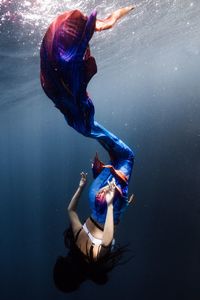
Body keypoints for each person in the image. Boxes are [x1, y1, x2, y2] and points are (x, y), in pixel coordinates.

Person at [40, 5, 136, 265]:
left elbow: (106, 240)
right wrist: (82, 186)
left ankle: (85, 124)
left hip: (105, 202)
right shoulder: (76, 239)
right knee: (115, 153)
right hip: (95, 194)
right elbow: (70, 210)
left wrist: (113, 200)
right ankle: (84, 125)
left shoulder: (93, 257)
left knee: (127, 155)